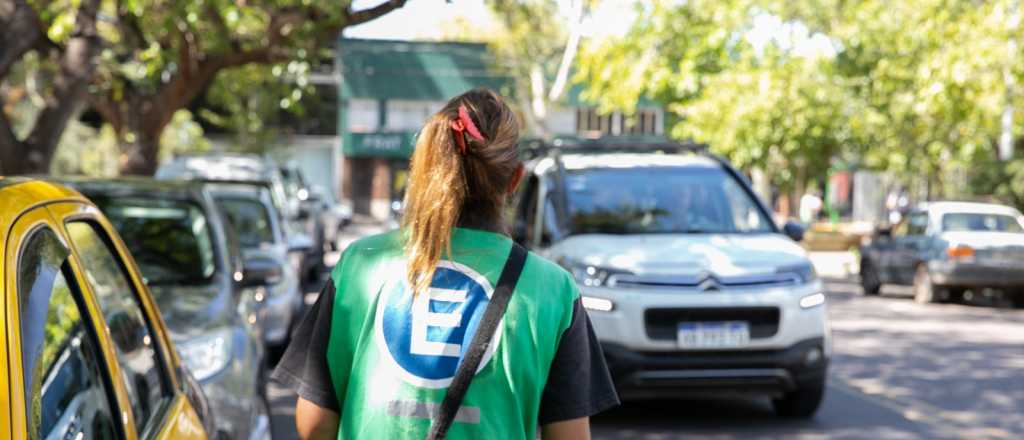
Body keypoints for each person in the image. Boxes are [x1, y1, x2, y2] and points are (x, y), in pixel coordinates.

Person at [272, 88, 619, 440]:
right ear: (515, 179)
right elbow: (570, 435)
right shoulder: (554, 291)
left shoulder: (360, 266)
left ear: (428, 169)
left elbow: (314, 424)